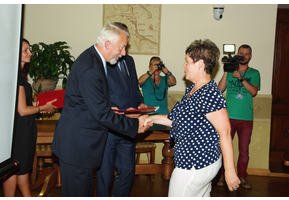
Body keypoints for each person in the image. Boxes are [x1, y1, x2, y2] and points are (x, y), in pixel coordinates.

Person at [51, 22, 151, 197]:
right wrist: (134, 125)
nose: (124, 52)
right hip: (77, 148)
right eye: (121, 47)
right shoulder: (91, 68)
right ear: (107, 44)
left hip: (81, 146)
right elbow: (102, 115)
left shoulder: (94, 60)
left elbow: (94, 105)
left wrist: (110, 109)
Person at [144, 39, 240, 197]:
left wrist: (230, 171)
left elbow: (225, 132)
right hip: (194, 164)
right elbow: (175, 120)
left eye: (187, 61)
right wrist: (150, 119)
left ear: (200, 64)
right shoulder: (192, 89)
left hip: (195, 166)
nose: (183, 66)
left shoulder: (209, 92)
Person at [96, 22, 146, 197]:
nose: (124, 50)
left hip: (129, 127)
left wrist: (140, 103)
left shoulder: (129, 61)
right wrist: (112, 108)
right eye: (122, 45)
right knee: (106, 174)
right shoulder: (102, 62)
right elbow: (98, 94)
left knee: (127, 172)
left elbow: (134, 89)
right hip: (109, 127)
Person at [2, 38, 57, 197]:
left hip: (22, 130)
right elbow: (22, 110)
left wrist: (39, 106)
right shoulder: (16, 78)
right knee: (13, 171)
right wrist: (42, 107)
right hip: (20, 132)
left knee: (22, 169)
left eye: (29, 49)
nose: (30, 53)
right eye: (25, 50)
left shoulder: (17, 76)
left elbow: (22, 105)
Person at [217, 44, 260, 190]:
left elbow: (253, 91)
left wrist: (241, 78)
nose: (244, 56)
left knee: (243, 150)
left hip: (245, 118)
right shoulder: (231, 71)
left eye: (247, 54)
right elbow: (220, 89)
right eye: (241, 53)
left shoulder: (254, 73)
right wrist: (226, 71)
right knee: (224, 147)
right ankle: (222, 175)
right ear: (237, 54)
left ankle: (242, 176)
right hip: (228, 117)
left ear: (250, 56)